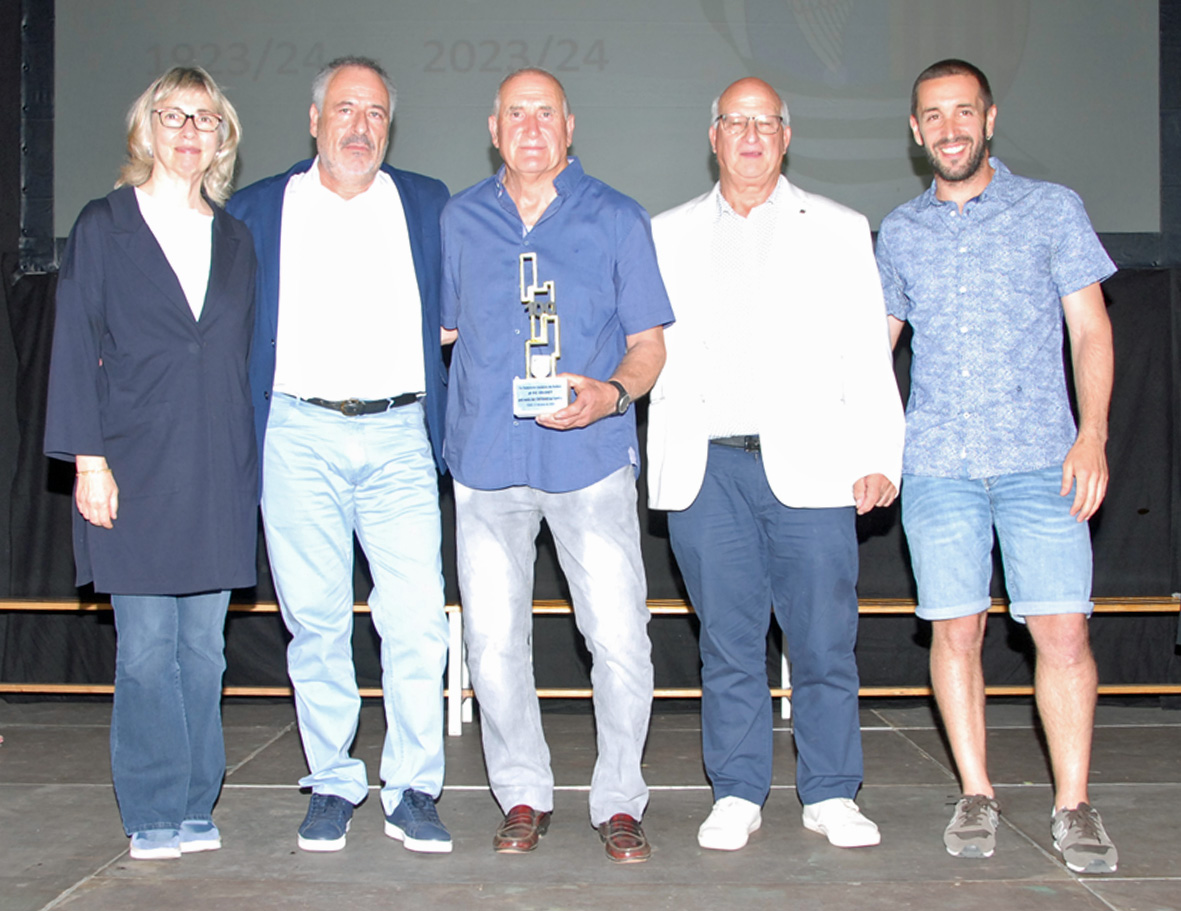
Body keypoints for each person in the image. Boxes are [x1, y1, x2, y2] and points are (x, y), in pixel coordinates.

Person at [647, 77, 904, 853]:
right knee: (727, 643)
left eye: (766, 122)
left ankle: (830, 792)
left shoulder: (838, 228)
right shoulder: (664, 232)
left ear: (785, 137)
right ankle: (735, 791)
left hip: (813, 467)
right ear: (714, 137)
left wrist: (877, 452)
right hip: (705, 470)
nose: (751, 134)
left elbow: (867, 351)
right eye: (736, 121)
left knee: (822, 641)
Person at [876, 59, 1118, 874]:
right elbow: (874, 352)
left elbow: (1090, 329)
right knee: (955, 629)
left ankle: (1073, 804)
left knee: (1062, 630)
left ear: (987, 118)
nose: (948, 128)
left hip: (1042, 460)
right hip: (936, 464)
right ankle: (975, 791)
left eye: (962, 112)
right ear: (915, 131)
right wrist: (864, 446)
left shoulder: (1051, 209)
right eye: (932, 115)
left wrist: (1092, 435)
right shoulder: (898, 232)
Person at [441, 68, 672, 863]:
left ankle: (619, 800)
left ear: (569, 127)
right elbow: (441, 332)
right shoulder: (458, 220)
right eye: (516, 114)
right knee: (491, 643)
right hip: (485, 461)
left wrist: (610, 394)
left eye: (546, 113)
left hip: (590, 459)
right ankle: (521, 793)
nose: (531, 127)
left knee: (619, 639)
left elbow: (649, 346)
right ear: (493, 129)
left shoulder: (618, 217)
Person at [226, 57, 452, 854]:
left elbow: (461, 305)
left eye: (376, 113)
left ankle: (414, 787)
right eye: (346, 110)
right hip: (297, 435)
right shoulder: (258, 208)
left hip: (399, 434)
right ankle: (331, 779)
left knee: (417, 620)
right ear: (314, 119)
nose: (361, 127)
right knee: (315, 623)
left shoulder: (426, 202)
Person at [45, 67, 257, 860]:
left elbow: (241, 361)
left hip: (216, 471)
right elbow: (75, 347)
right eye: (173, 115)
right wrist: (88, 461)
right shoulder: (105, 225)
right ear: (146, 128)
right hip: (130, 469)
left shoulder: (236, 240)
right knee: (143, 651)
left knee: (204, 651)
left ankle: (196, 801)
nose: (189, 131)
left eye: (205, 118)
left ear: (222, 137)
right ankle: (150, 806)